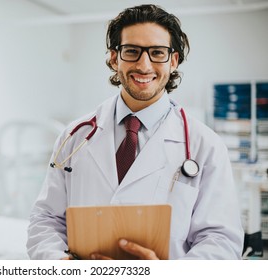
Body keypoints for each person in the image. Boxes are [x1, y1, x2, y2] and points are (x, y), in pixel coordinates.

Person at [27, 4, 244, 260]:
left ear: (173, 61)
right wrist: (63, 264)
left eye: (157, 53)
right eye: (131, 51)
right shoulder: (74, 136)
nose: (144, 65)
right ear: (113, 58)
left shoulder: (204, 145)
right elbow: (46, 219)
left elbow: (221, 241)